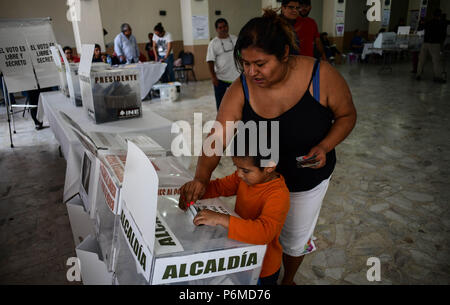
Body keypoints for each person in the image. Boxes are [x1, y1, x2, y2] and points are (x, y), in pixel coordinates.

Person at [178, 9, 357, 285]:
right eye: (245, 63)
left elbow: (347, 115)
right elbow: (217, 137)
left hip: (304, 179)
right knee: (261, 232)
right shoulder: (241, 88)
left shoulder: (322, 77)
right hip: (258, 179)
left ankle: (289, 279)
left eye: (260, 63)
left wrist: (324, 146)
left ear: (284, 54)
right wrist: (202, 178)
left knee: (294, 238)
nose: (251, 72)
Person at [181, 139, 290, 285]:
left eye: (245, 170)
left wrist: (221, 219)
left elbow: (264, 232)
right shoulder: (244, 178)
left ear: (270, 166)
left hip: (261, 267)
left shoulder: (278, 194)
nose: (238, 174)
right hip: (238, 256)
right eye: (236, 167)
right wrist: (197, 191)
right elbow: (220, 187)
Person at [206, 18, 240, 110]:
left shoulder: (235, 39)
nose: (223, 29)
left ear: (228, 26)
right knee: (221, 104)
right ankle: (221, 121)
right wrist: (213, 77)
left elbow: (241, 55)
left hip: (236, 78)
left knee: (237, 102)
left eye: (225, 26)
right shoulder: (213, 43)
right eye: (220, 27)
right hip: (220, 79)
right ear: (217, 29)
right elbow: (210, 61)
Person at [416, 9, 447, 83]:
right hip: (435, 44)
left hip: (425, 43)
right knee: (436, 61)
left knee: (421, 60)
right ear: (440, 15)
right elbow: (443, 35)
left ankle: (418, 75)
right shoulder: (441, 23)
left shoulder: (428, 22)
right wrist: (441, 44)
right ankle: (437, 77)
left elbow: (420, 29)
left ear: (433, 15)